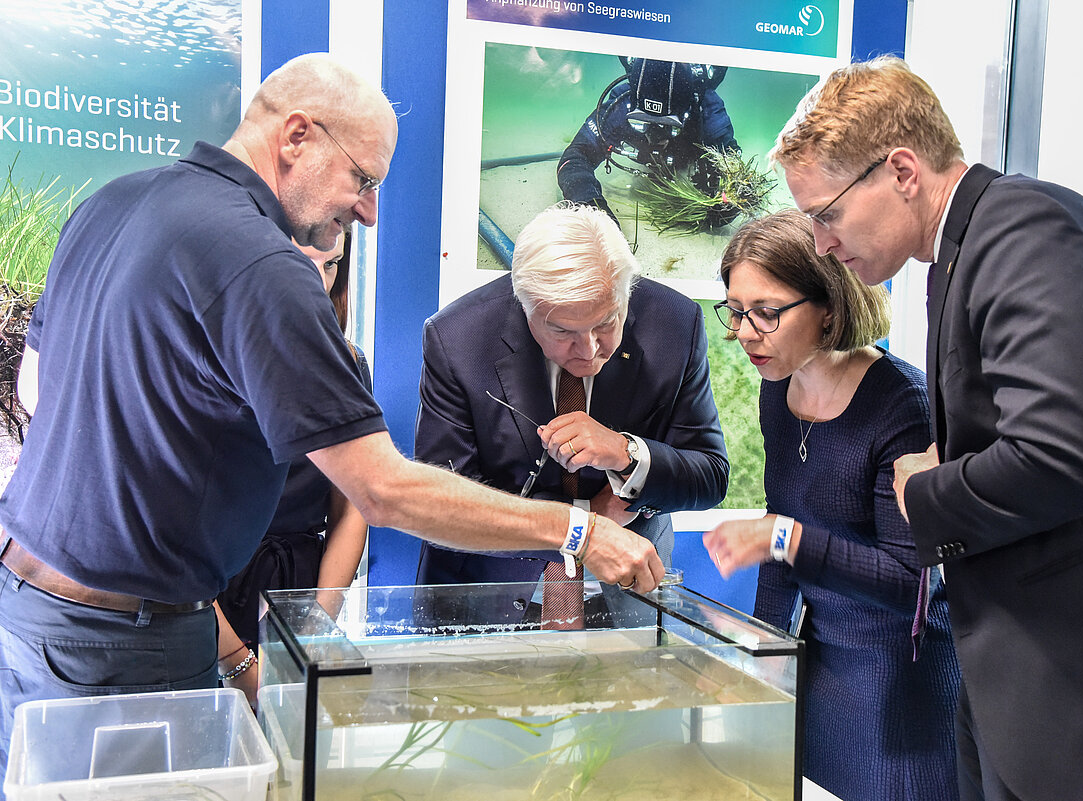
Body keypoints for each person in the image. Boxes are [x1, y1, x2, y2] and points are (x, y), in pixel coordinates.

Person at [0, 53, 663, 787]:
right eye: (364, 179)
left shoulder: (111, 203)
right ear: (297, 136)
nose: (369, 211)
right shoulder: (260, 261)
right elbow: (382, 490)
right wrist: (577, 530)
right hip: (122, 644)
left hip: (24, 612)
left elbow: (36, 390)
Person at [772, 55, 1083, 801]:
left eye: (827, 213)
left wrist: (927, 487)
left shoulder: (1023, 231)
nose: (820, 242)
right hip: (1019, 678)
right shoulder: (971, 246)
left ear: (902, 171)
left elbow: (1069, 454)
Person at [703, 209, 959, 801]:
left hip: (903, 685)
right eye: (735, 310)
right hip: (823, 669)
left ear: (829, 307)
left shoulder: (904, 404)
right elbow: (780, 528)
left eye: (766, 312)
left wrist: (786, 539)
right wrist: (766, 648)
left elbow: (912, 587)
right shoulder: (776, 389)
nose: (744, 332)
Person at [414, 201, 728, 626]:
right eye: (562, 331)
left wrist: (627, 455)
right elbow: (442, 505)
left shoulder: (675, 322)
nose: (590, 350)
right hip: (488, 592)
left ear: (626, 294)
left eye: (607, 322)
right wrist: (582, 528)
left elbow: (709, 475)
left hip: (629, 589)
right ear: (524, 307)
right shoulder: (458, 339)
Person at [215, 230, 371, 651]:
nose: (318, 283)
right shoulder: (207, 359)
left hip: (302, 582)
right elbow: (172, 528)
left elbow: (351, 508)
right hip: (205, 591)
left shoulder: (350, 364)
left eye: (331, 264)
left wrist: (316, 625)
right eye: (300, 263)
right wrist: (236, 661)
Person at [556, 57, 739, 229]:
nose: (654, 137)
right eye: (641, 123)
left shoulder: (707, 114)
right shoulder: (622, 106)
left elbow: (736, 176)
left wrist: (726, 204)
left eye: (669, 127)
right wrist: (592, 208)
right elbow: (575, 158)